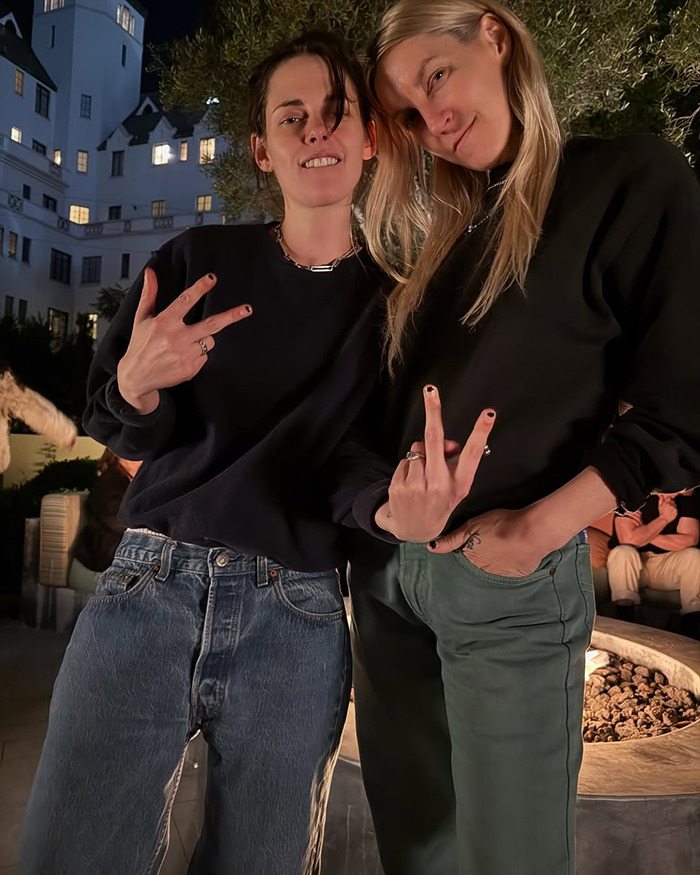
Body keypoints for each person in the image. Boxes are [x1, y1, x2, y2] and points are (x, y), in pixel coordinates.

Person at [338, 2, 700, 874]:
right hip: (389, 583)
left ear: (492, 35)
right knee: (416, 857)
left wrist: (538, 530)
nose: (437, 121)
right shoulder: (438, 252)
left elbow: (684, 399)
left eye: (436, 77)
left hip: (505, 586)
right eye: (411, 118)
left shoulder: (627, 181)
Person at [20, 32, 384, 875]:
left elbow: (357, 471)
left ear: (372, 136)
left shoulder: (392, 305)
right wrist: (140, 387)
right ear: (262, 147)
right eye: (292, 118)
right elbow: (116, 421)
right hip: (148, 590)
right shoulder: (197, 262)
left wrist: (394, 507)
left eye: (336, 114)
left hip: (296, 620)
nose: (315, 132)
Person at [607, 489, 700, 637]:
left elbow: (690, 541)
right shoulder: (632, 498)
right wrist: (663, 519)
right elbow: (627, 540)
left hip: (667, 565)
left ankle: (693, 625)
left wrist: (642, 533)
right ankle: (625, 619)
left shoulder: (686, 500)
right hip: (636, 566)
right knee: (623, 552)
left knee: (694, 555)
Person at [68, 449, 142, 592]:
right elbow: (121, 521)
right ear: (119, 455)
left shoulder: (133, 481)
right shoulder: (110, 482)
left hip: (115, 563)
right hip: (98, 564)